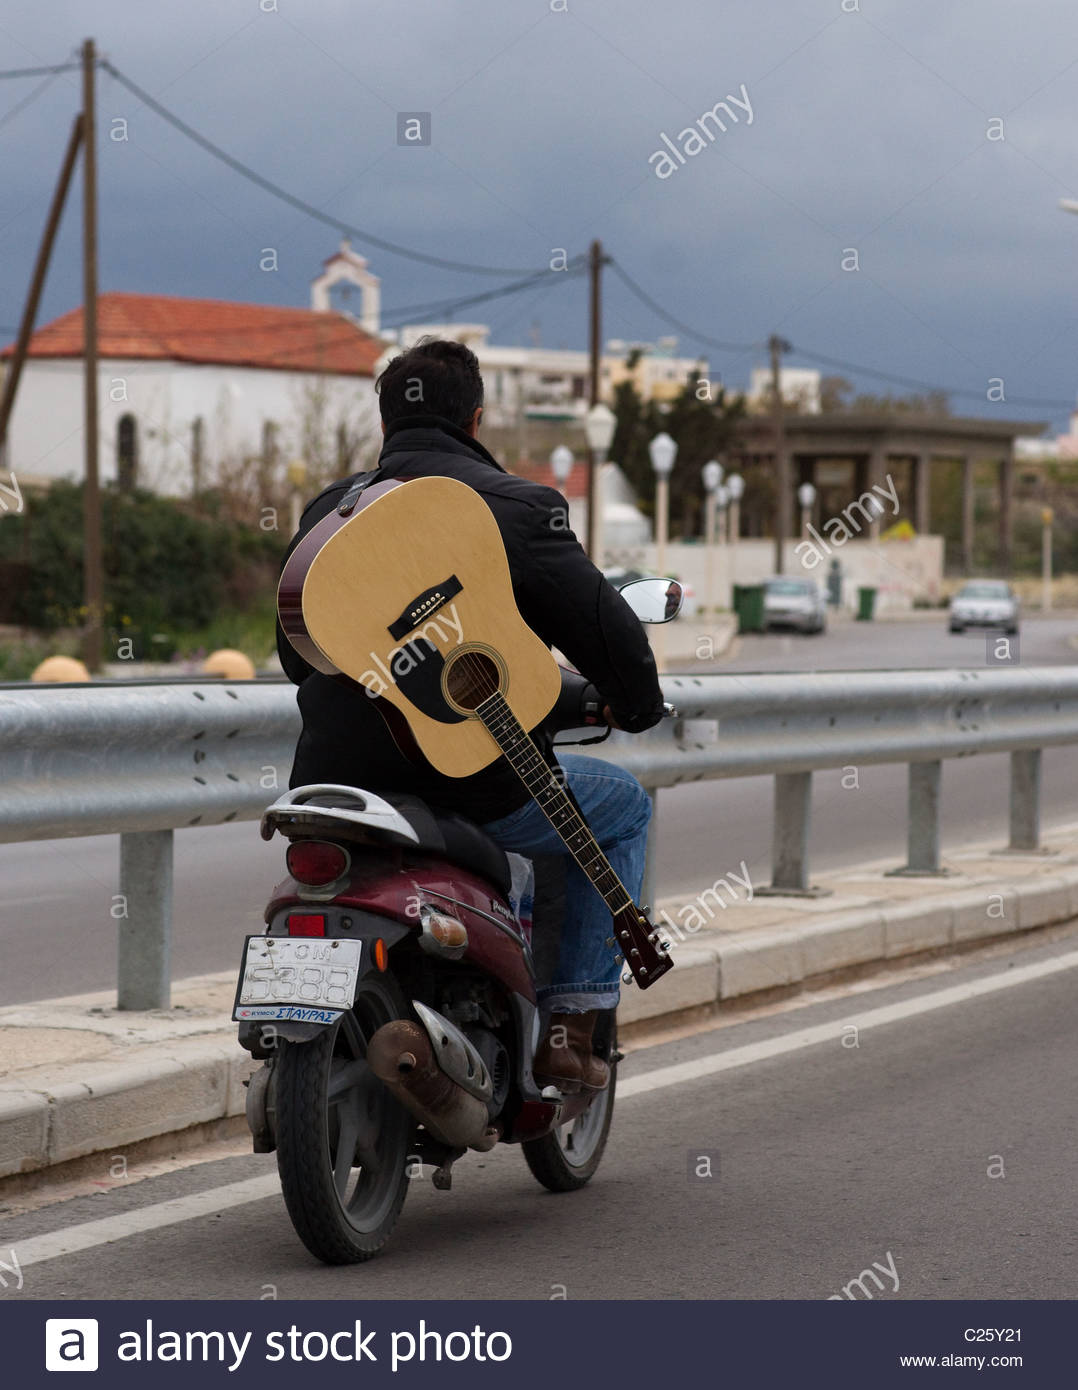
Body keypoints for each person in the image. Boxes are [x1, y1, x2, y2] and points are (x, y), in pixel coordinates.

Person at [276, 338, 665, 1092]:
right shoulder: (519, 507)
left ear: (385, 422)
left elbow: (300, 657)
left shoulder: (333, 510)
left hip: (333, 782)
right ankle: (569, 1029)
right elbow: (606, 628)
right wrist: (638, 704)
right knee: (622, 809)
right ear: (477, 418)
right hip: (475, 786)